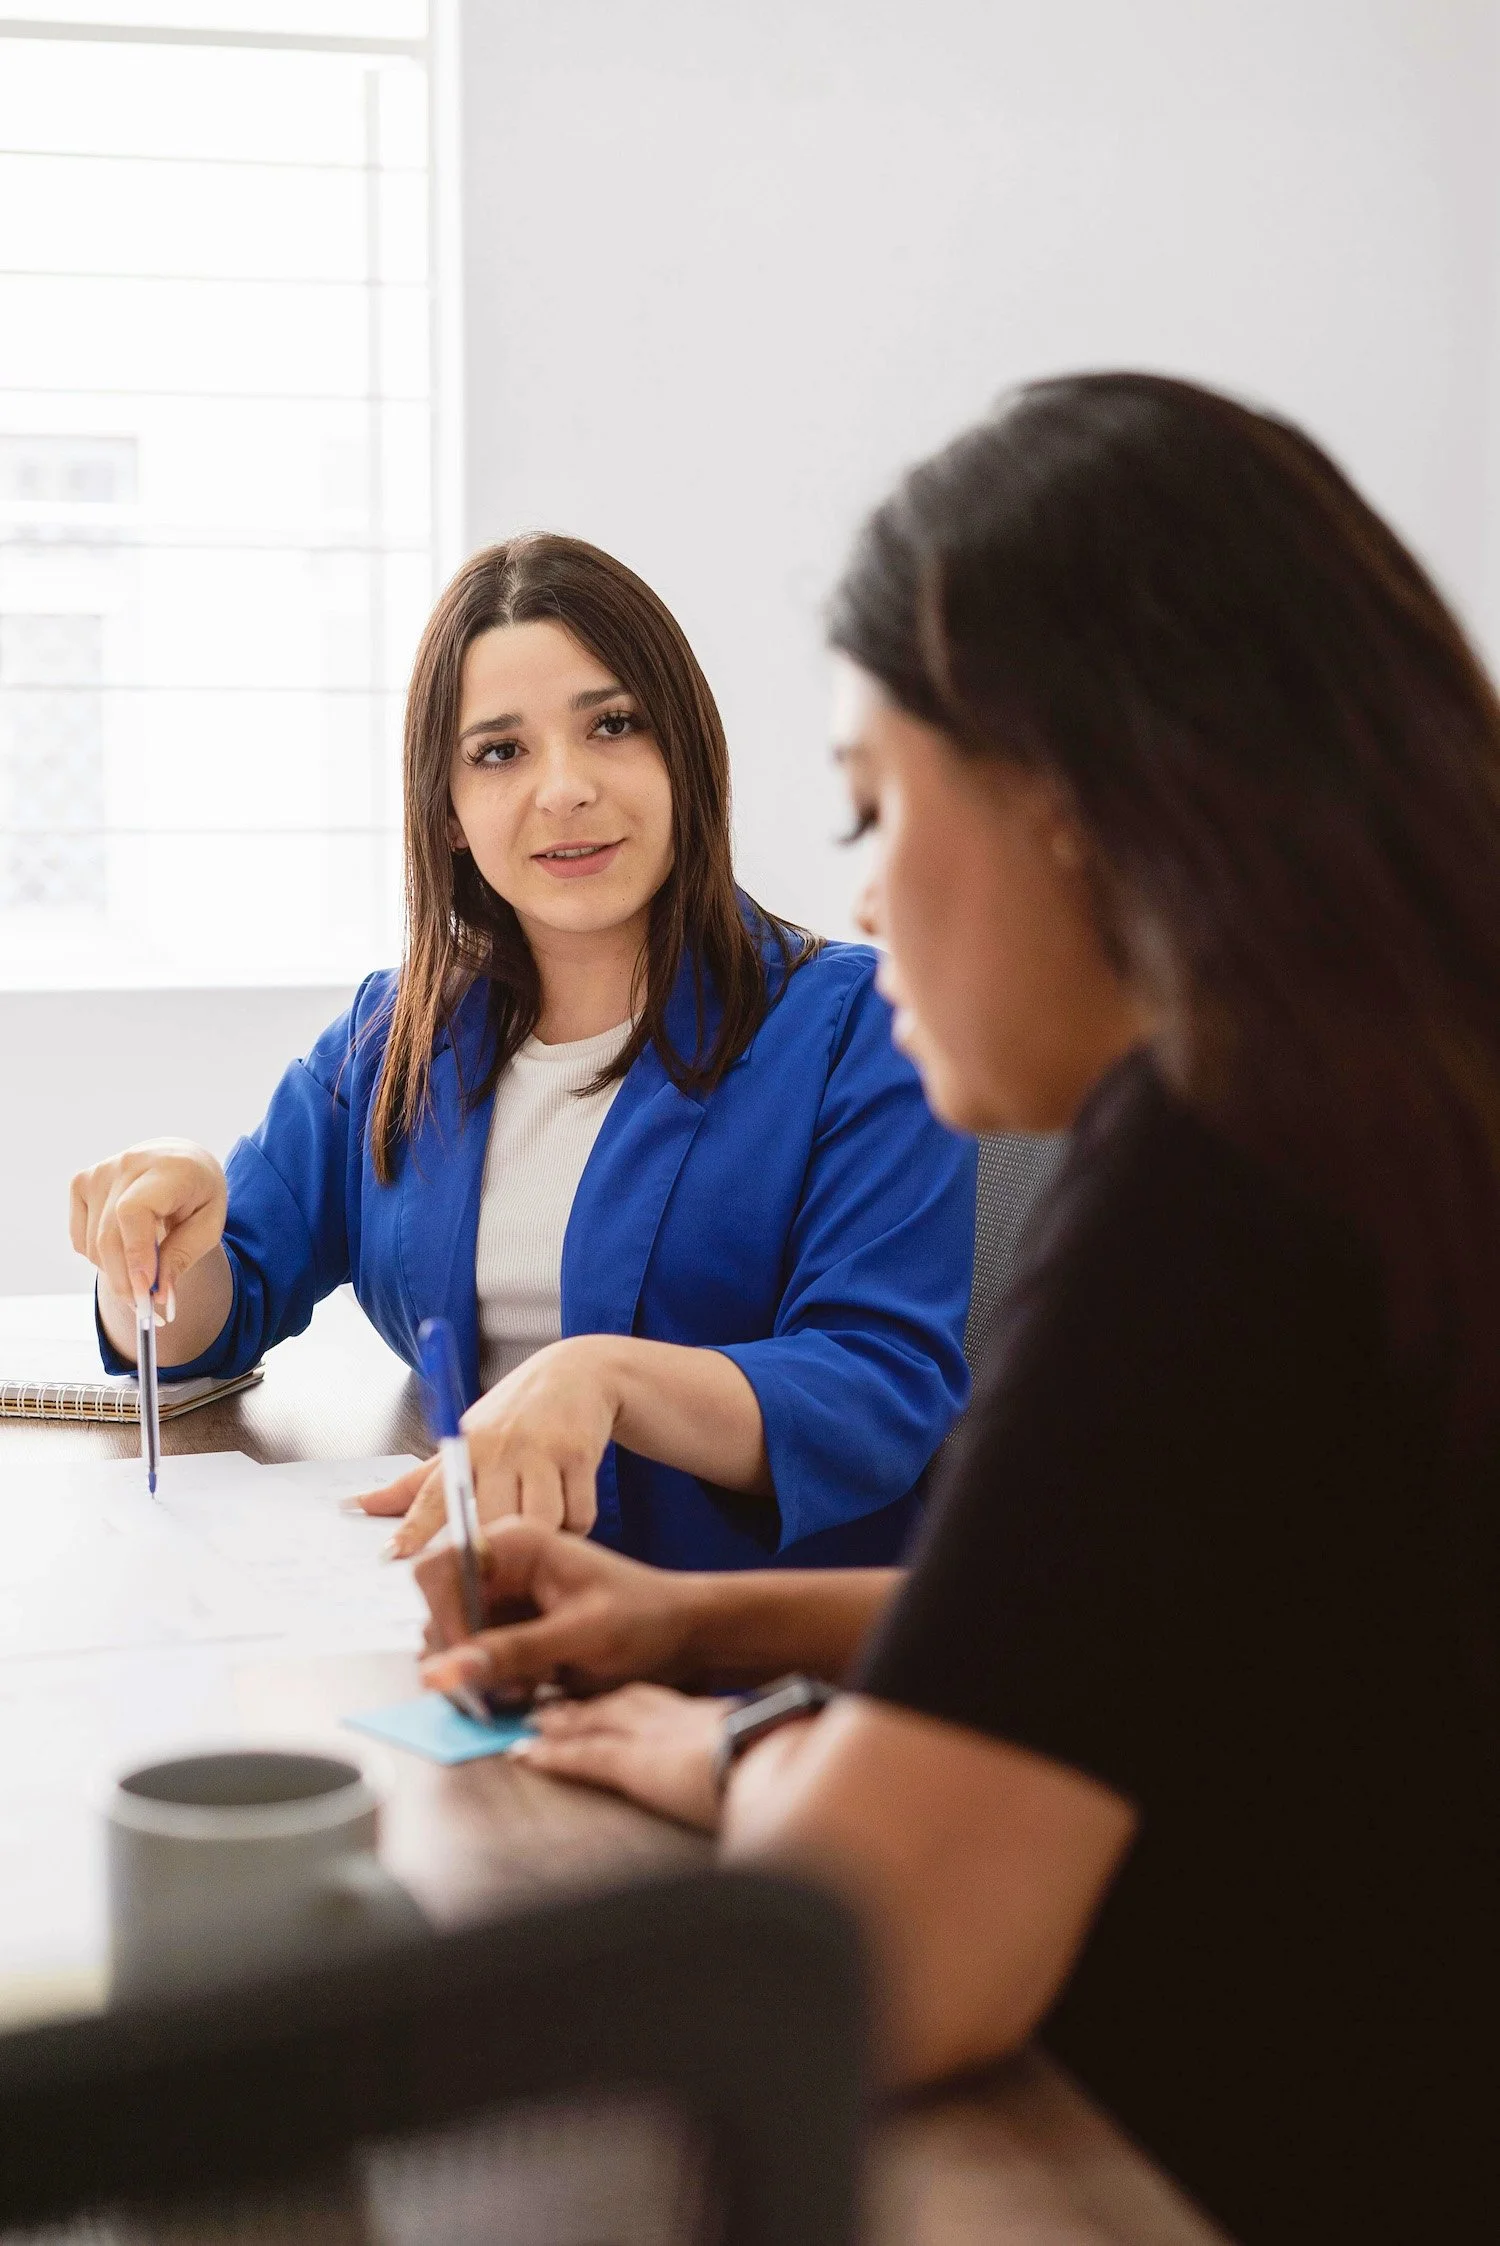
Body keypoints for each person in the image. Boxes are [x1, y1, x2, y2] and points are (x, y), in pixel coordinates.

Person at [415, 380, 1498, 2244]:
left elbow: (879, 1948)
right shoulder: (1397, 1109)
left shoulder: (1214, 1179)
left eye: (873, 805)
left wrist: (735, 1742)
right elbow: (1197, 1619)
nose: (861, 891)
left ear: (1070, 803)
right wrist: (711, 1614)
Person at [69, 535, 974, 1570]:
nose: (565, 788)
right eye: (499, 751)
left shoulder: (860, 1028)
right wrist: (153, 1238)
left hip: (742, 1657)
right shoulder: (391, 1037)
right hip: (469, 1612)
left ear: (684, 749)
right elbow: (205, 1328)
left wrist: (607, 1380)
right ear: (447, 813)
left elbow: (879, 1388)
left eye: (615, 725)